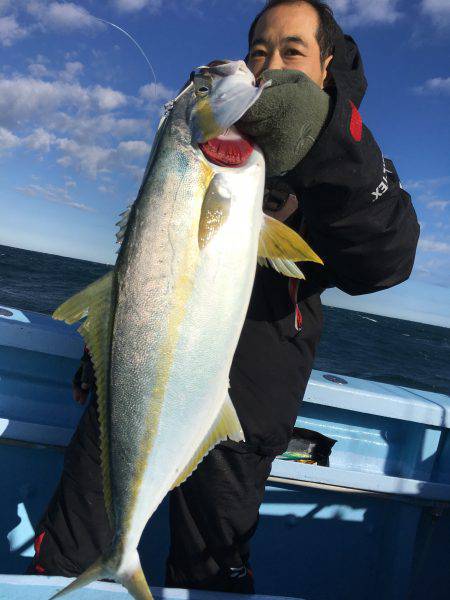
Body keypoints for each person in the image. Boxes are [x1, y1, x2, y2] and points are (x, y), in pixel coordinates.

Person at [27, 0, 419, 594]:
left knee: (210, 577)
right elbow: (151, 259)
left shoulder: (349, 164)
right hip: (136, 386)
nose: (269, 64)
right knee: (68, 551)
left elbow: (387, 257)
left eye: (293, 51)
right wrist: (103, 349)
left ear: (327, 64)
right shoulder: (217, 145)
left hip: (243, 420)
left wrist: (324, 140)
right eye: (259, 51)